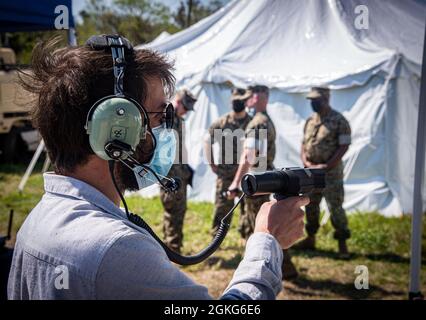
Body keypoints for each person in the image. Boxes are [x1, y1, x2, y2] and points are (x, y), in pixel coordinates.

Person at [7, 36, 308, 300]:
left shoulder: (38, 219)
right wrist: (266, 241)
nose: (166, 128)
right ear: (115, 131)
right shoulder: (116, 249)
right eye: (160, 114)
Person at [227, 85, 298, 280]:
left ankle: (269, 268)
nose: (247, 99)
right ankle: (285, 267)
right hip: (266, 178)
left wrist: (235, 182)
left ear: (259, 97)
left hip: (259, 180)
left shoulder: (258, 123)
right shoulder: (265, 120)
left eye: (250, 96)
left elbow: (250, 155)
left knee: (261, 226)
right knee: (269, 224)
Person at [296, 87, 351, 258]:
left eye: (316, 100)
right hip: (311, 174)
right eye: (311, 100)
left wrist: (327, 165)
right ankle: (310, 238)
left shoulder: (339, 120)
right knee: (311, 206)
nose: (313, 103)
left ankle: (342, 244)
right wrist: (306, 162)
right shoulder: (310, 121)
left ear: (326, 98)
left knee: (335, 207)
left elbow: (344, 146)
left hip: (331, 175)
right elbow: (303, 144)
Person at [204, 88, 252, 235]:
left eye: (240, 100)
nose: (237, 103)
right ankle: (215, 240)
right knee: (222, 209)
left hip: (246, 174)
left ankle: (247, 238)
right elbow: (207, 141)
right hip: (225, 175)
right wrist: (212, 164)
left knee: (248, 210)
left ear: (245, 101)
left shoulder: (251, 123)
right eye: (235, 101)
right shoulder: (222, 122)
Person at [160, 89, 196, 254]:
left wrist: (186, 167)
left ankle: (170, 246)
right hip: (169, 174)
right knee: (173, 209)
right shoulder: (163, 118)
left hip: (180, 172)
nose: (187, 112)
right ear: (179, 102)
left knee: (178, 210)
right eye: (186, 108)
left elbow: (182, 146)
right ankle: (172, 249)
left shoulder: (179, 121)